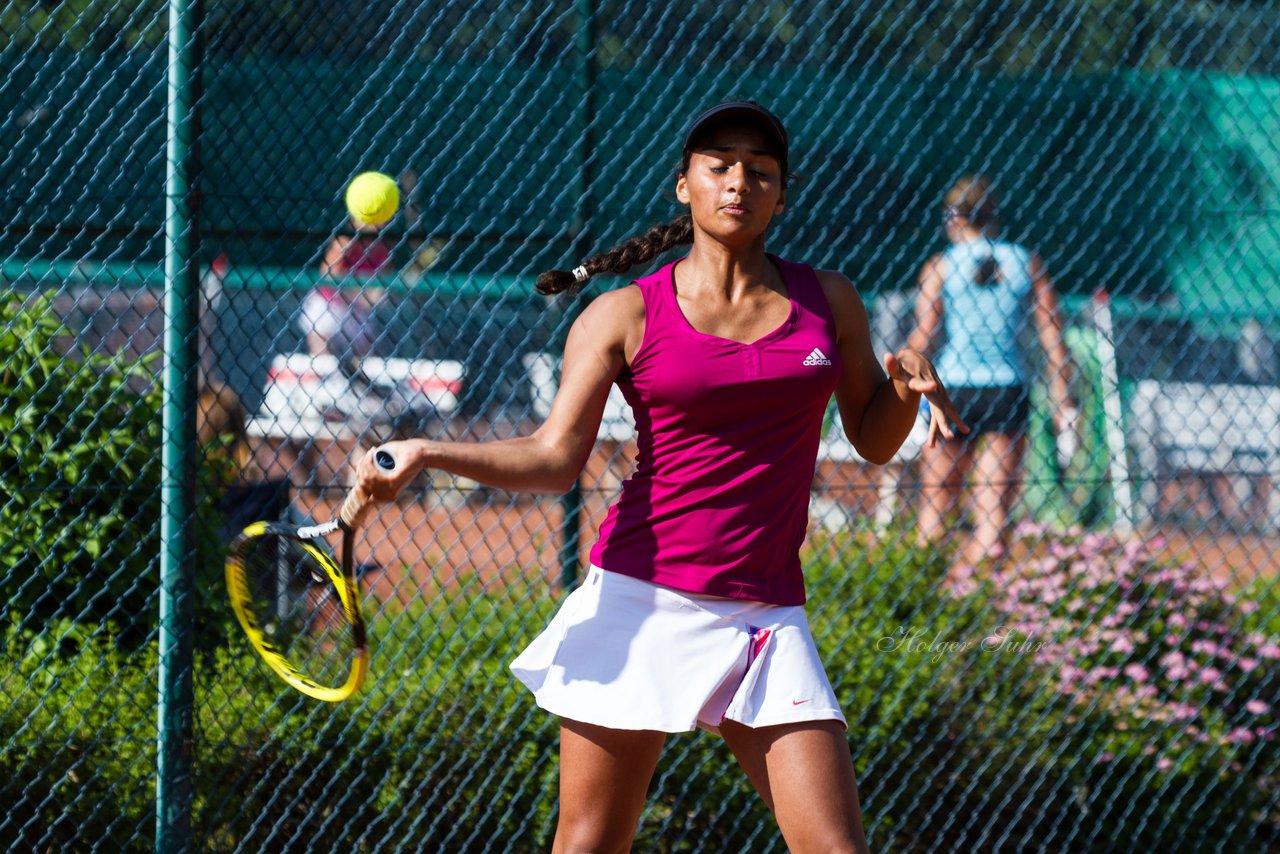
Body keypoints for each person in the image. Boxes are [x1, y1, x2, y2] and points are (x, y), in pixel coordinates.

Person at [349, 101, 966, 853]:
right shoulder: (621, 315)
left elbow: (872, 440)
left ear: (782, 194)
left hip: (766, 614)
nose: (739, 180)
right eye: (720, 165)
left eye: (760, 170)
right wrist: (429, 452)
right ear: (685, 187)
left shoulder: (828, 300)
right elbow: (552, 459)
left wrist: (903, 387)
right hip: (640, 600)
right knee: (590, 844)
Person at [906, 175, 1076, 574]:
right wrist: (1063, 393)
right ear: (994, 215)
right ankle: (981, 594)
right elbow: (1052, 332)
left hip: (953, 388)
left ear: (953, 218)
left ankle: (922, 592)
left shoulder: (942, 265)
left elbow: (925, 334)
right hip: (1007, 387)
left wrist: (901, 378)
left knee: (936, 500)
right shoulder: (1025, 261)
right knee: (993, 508)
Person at [299, 217, 392, 360]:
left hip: (357, 310)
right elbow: (328, 277)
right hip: (329, 304)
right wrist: (358, 295)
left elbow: (381, 287)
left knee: (366, 349)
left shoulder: (383, 248)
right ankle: (322, 373)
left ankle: (359, 378)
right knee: (321, 341)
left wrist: (375, 297)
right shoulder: (345, 242)